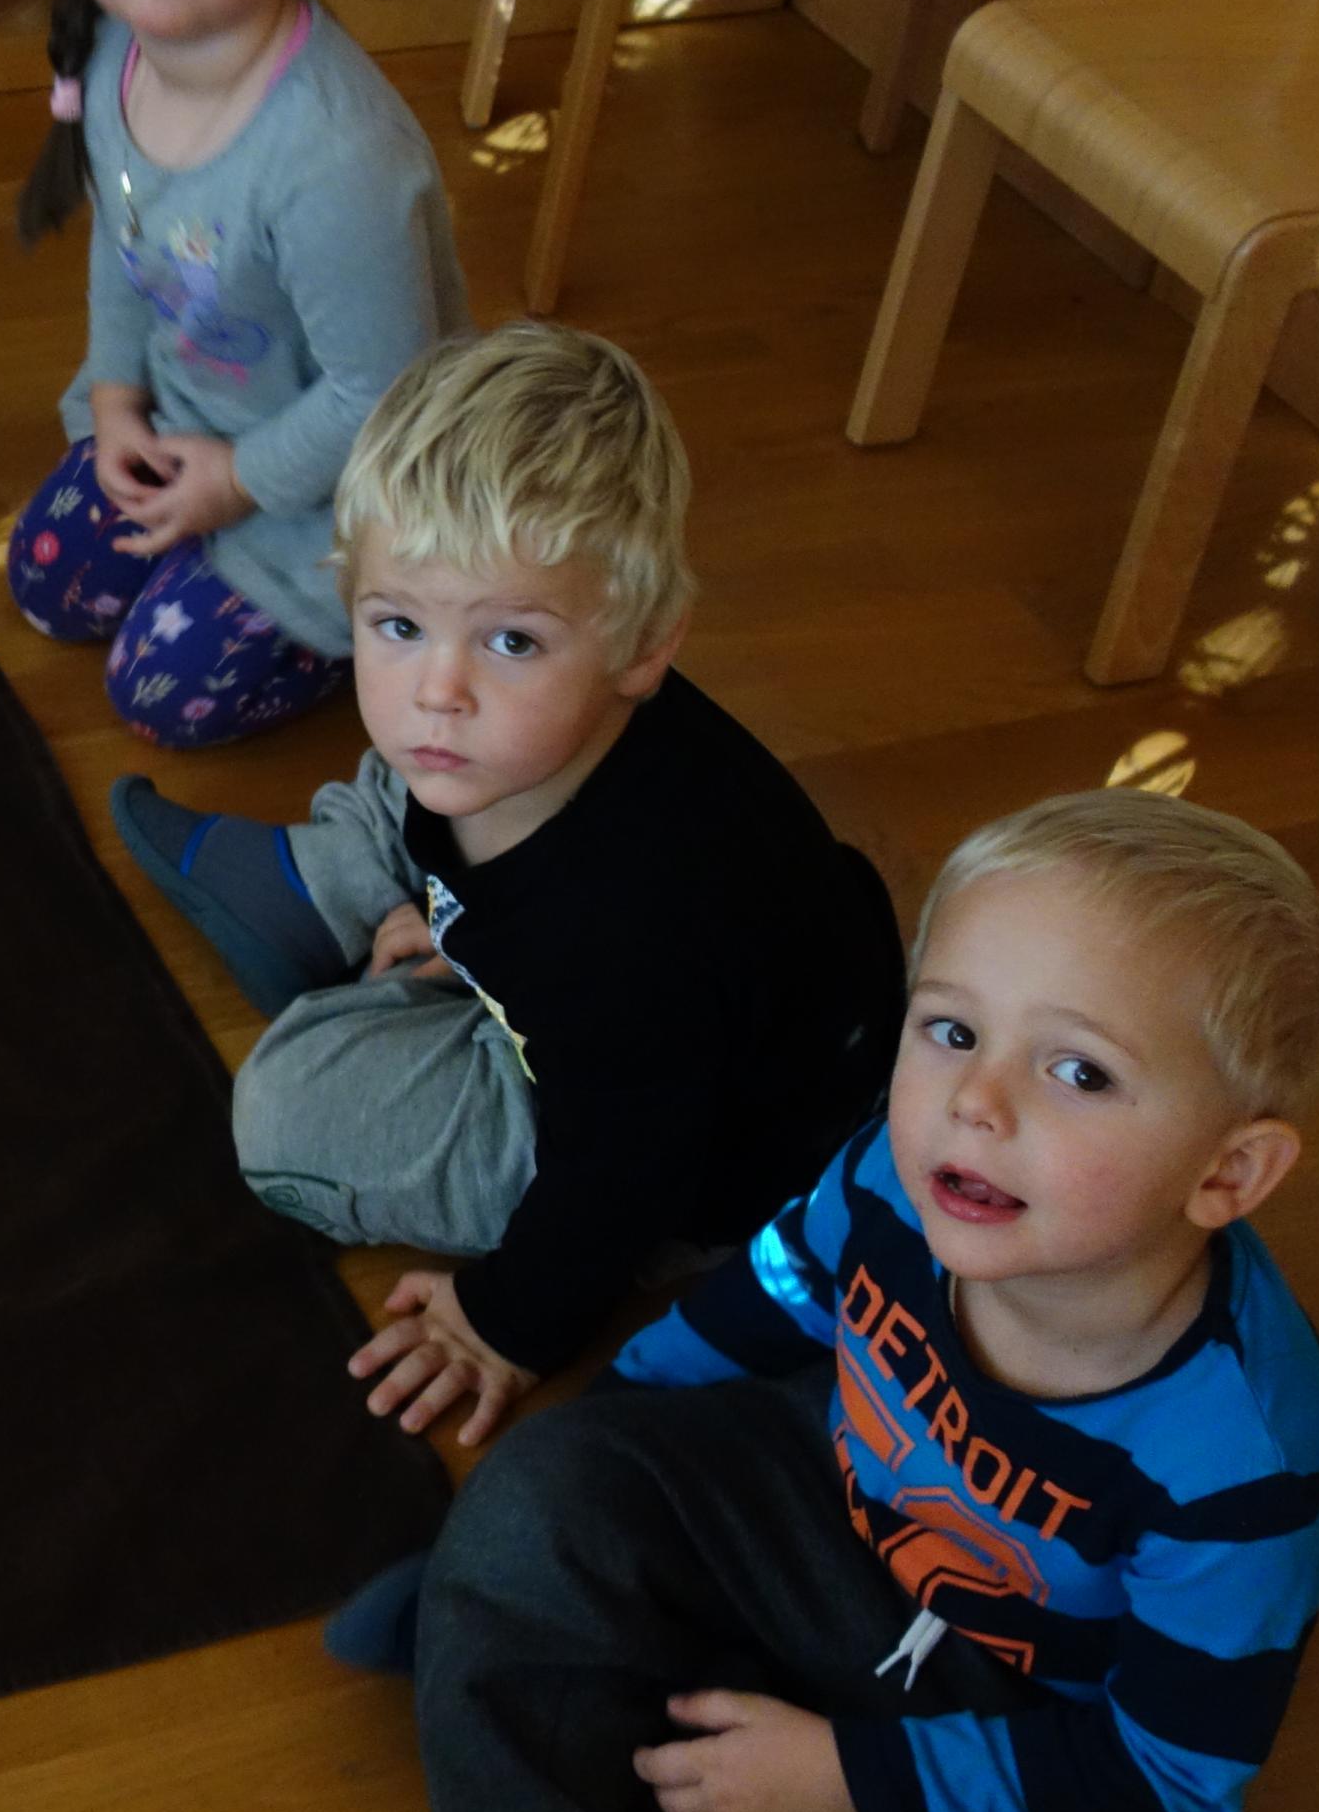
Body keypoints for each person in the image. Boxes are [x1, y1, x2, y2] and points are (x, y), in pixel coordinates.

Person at [358, 791, 1319, 1812]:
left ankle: (552, 1696)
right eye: (950, 1029)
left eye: (1078, 1071)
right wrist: (602, 1479)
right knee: (545, 1489)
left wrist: (845, 1779)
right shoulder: (897, 1170)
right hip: (836, 1513)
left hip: (1024, 1706)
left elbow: (1171, 1769)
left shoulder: (1249, 1474)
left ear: (1227, 1171)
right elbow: (773, 1293)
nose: (976, 1101)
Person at [118, 324, 900, 1416]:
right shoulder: (527, 740)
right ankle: (345, 893)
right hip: (659, 1005)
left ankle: (330, 901)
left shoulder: (627, 935)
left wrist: (506, 1320)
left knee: (287, 1110)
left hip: (701, 1152)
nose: (439, 688)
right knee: (419, 769)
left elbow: (624, 1172)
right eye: (396, 623)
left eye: (511, 642)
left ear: (645, 647)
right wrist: (466, 934)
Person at [2, 0, 464, 749]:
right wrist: (115, 397)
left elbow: (381, 398)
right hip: (193, 424)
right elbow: (127, 247)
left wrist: (241, 482)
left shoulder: (335, 161)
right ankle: (196, 541)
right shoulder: (115, 56)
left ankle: (358, 628)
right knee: (45, 585)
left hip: (337, 489)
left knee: (154, 695)